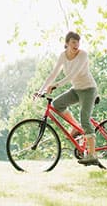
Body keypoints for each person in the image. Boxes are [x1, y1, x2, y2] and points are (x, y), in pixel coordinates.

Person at [38, 31, 99, 166]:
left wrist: (56, 85)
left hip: (89, 89)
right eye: (73, 42)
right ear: (66, 43)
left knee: (85, 118)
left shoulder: (83, 55)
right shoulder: (63, 56)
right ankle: (76, 127)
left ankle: (92, 154)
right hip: (76, 90)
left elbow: (73, 74)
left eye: (78, 42)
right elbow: (53, 74)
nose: (76, 44)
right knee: (56, 104)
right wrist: (41, 90)